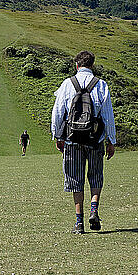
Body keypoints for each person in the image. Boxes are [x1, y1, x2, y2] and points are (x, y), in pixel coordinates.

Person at [51, 50, 116, 234]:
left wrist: (58, 136)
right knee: (96, 176)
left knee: (75, 179)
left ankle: (79, 223)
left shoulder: (67, 84)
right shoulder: (101, 85)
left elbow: (57, 113)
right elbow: (108, 116)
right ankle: (94, 209)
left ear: (77, 65)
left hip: (72, 140)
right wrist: (111, 141)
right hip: (95, 139)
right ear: (92, 65)